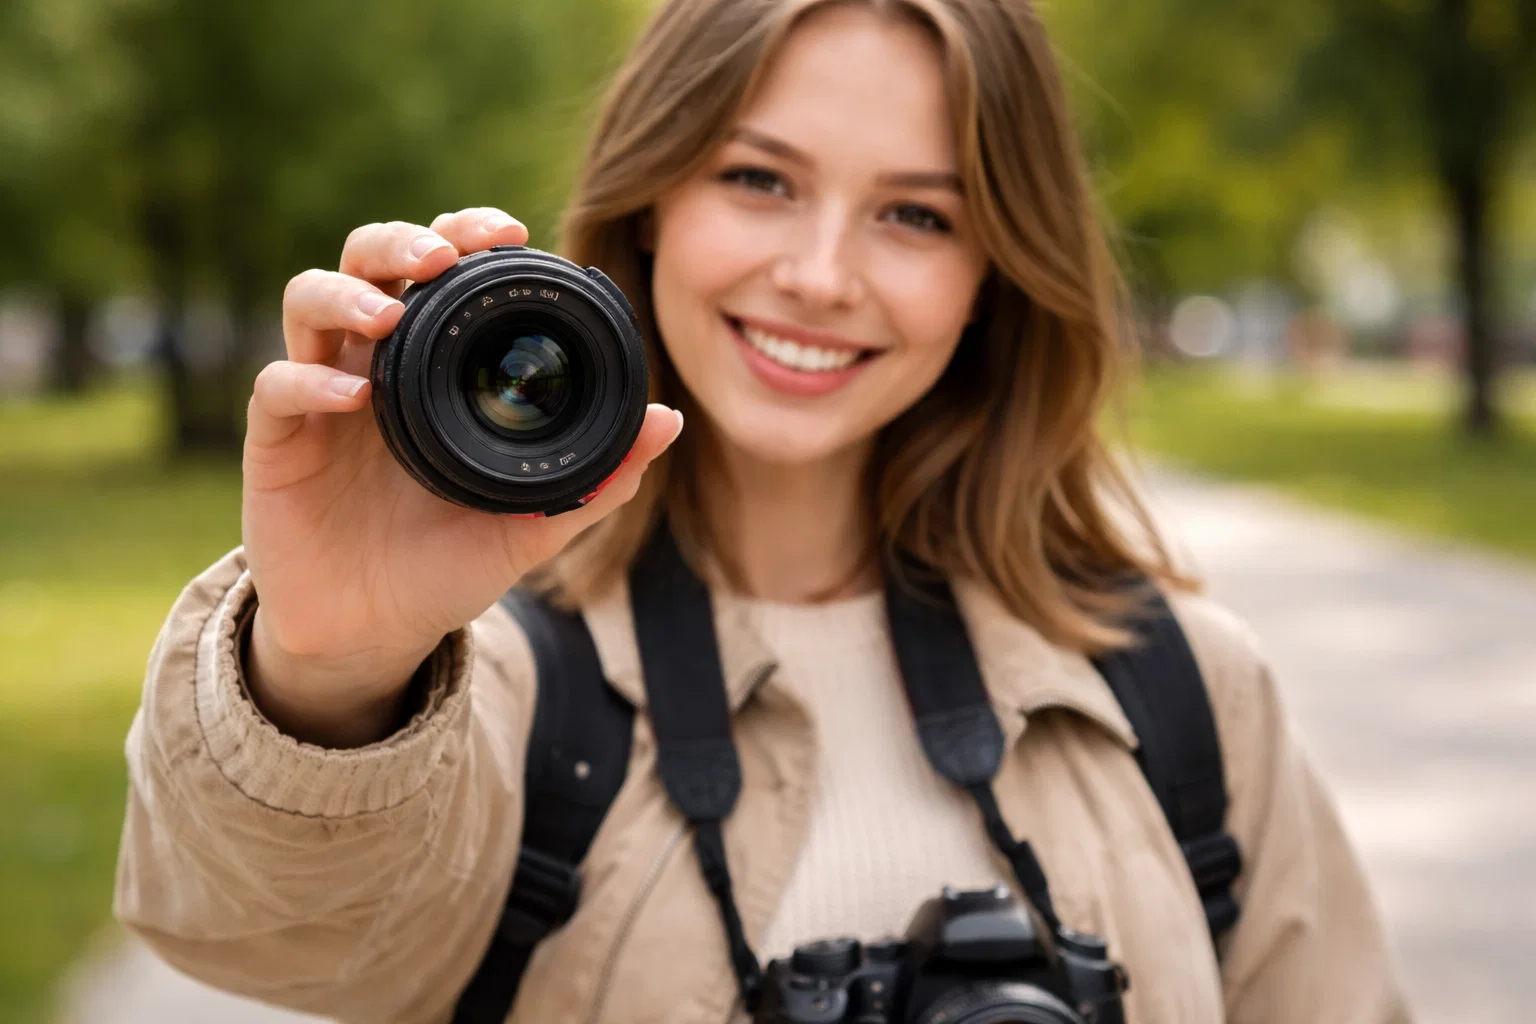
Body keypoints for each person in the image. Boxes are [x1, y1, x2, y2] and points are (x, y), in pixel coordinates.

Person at [113, 0, 1414, 1021]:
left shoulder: (1182, 695)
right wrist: (332, 670)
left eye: (916, 214)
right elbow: (257, 937)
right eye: (760, 179)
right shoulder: (491, 691)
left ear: (996, 273)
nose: (821, 275)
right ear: (652, 201)